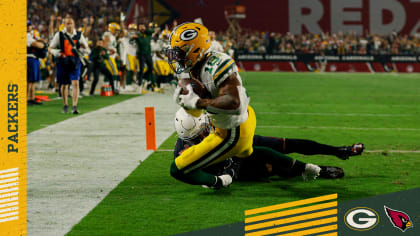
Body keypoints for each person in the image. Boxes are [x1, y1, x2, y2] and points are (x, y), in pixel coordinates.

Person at [169, 22, 256, 189]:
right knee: (256, 151)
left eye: (180, 53)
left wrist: (198, 102)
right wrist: (188, 104)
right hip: (222, 126)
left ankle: (222, 181)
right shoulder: (194, 66)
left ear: (195, 49)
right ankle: (307, 168)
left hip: (233, 130)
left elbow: (235, 103)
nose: (176, 58)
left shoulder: (217, 64)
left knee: (178, 169)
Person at [173, 108, 365, 182]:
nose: (209, 126)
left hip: (233, 143)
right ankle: (320, 171)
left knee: (288, 144)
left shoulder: (203, 122)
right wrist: (220, 179)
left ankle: (339, 151)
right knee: (274, 167)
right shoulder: (188, 154)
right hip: (235, 163)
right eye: (204, 128)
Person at [49, 17, 89, 114]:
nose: (69, 25)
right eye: (67, 23)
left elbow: (87, 50)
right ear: (64, 24)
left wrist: (81, 50)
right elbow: (50, 48)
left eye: (71, 23)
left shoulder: (79, 35)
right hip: (63, 62)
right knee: (64, 85)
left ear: (74, 24)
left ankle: (74, 106)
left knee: (75, 83)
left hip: (75, 62)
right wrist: (57, 53)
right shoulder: (59, 35)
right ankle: (65, 104)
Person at [27, 20, 47, 105]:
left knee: (33, 80)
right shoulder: (26, 35)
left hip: (34, 59)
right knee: (30, 80)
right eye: (27, 26)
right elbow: (37, 44)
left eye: (29, 26)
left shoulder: (32, 35)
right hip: (29, 58)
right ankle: (28, 99)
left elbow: (41, 40)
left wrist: (42, 42)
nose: (28, 27)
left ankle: (32, 98)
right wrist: (43, 45)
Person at [132, 22, 155, 92]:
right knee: (141, 69)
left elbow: (153, 30)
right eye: (140, 27)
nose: (142, 28)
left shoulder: (148, 33)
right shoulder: (138, 34)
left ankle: (143, 78)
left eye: (143, 27)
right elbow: (132, 38)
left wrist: (148, 27)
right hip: (141, 54)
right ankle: (139, 84)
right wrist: (133, 37)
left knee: (151, 68)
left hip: (148, 53)